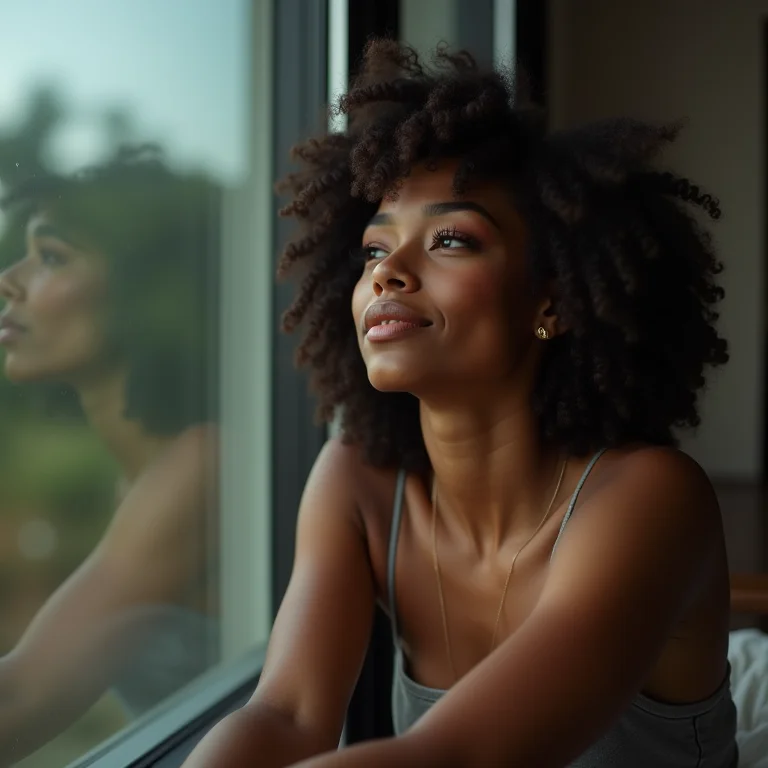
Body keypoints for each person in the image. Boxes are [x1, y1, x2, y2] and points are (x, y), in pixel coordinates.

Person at [184, 40, 737, 767]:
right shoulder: (358, 478)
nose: (390, 274)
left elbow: (457, 756)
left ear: (554, 299)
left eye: (450, 239)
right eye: (374, 250)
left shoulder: (652, 498)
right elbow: (287, 716)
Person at [0, 147, 220, 764]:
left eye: (50, 256)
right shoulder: (145, 477)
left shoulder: (201, 468)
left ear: (139, 291)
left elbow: (19, 698)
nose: (8, 280)